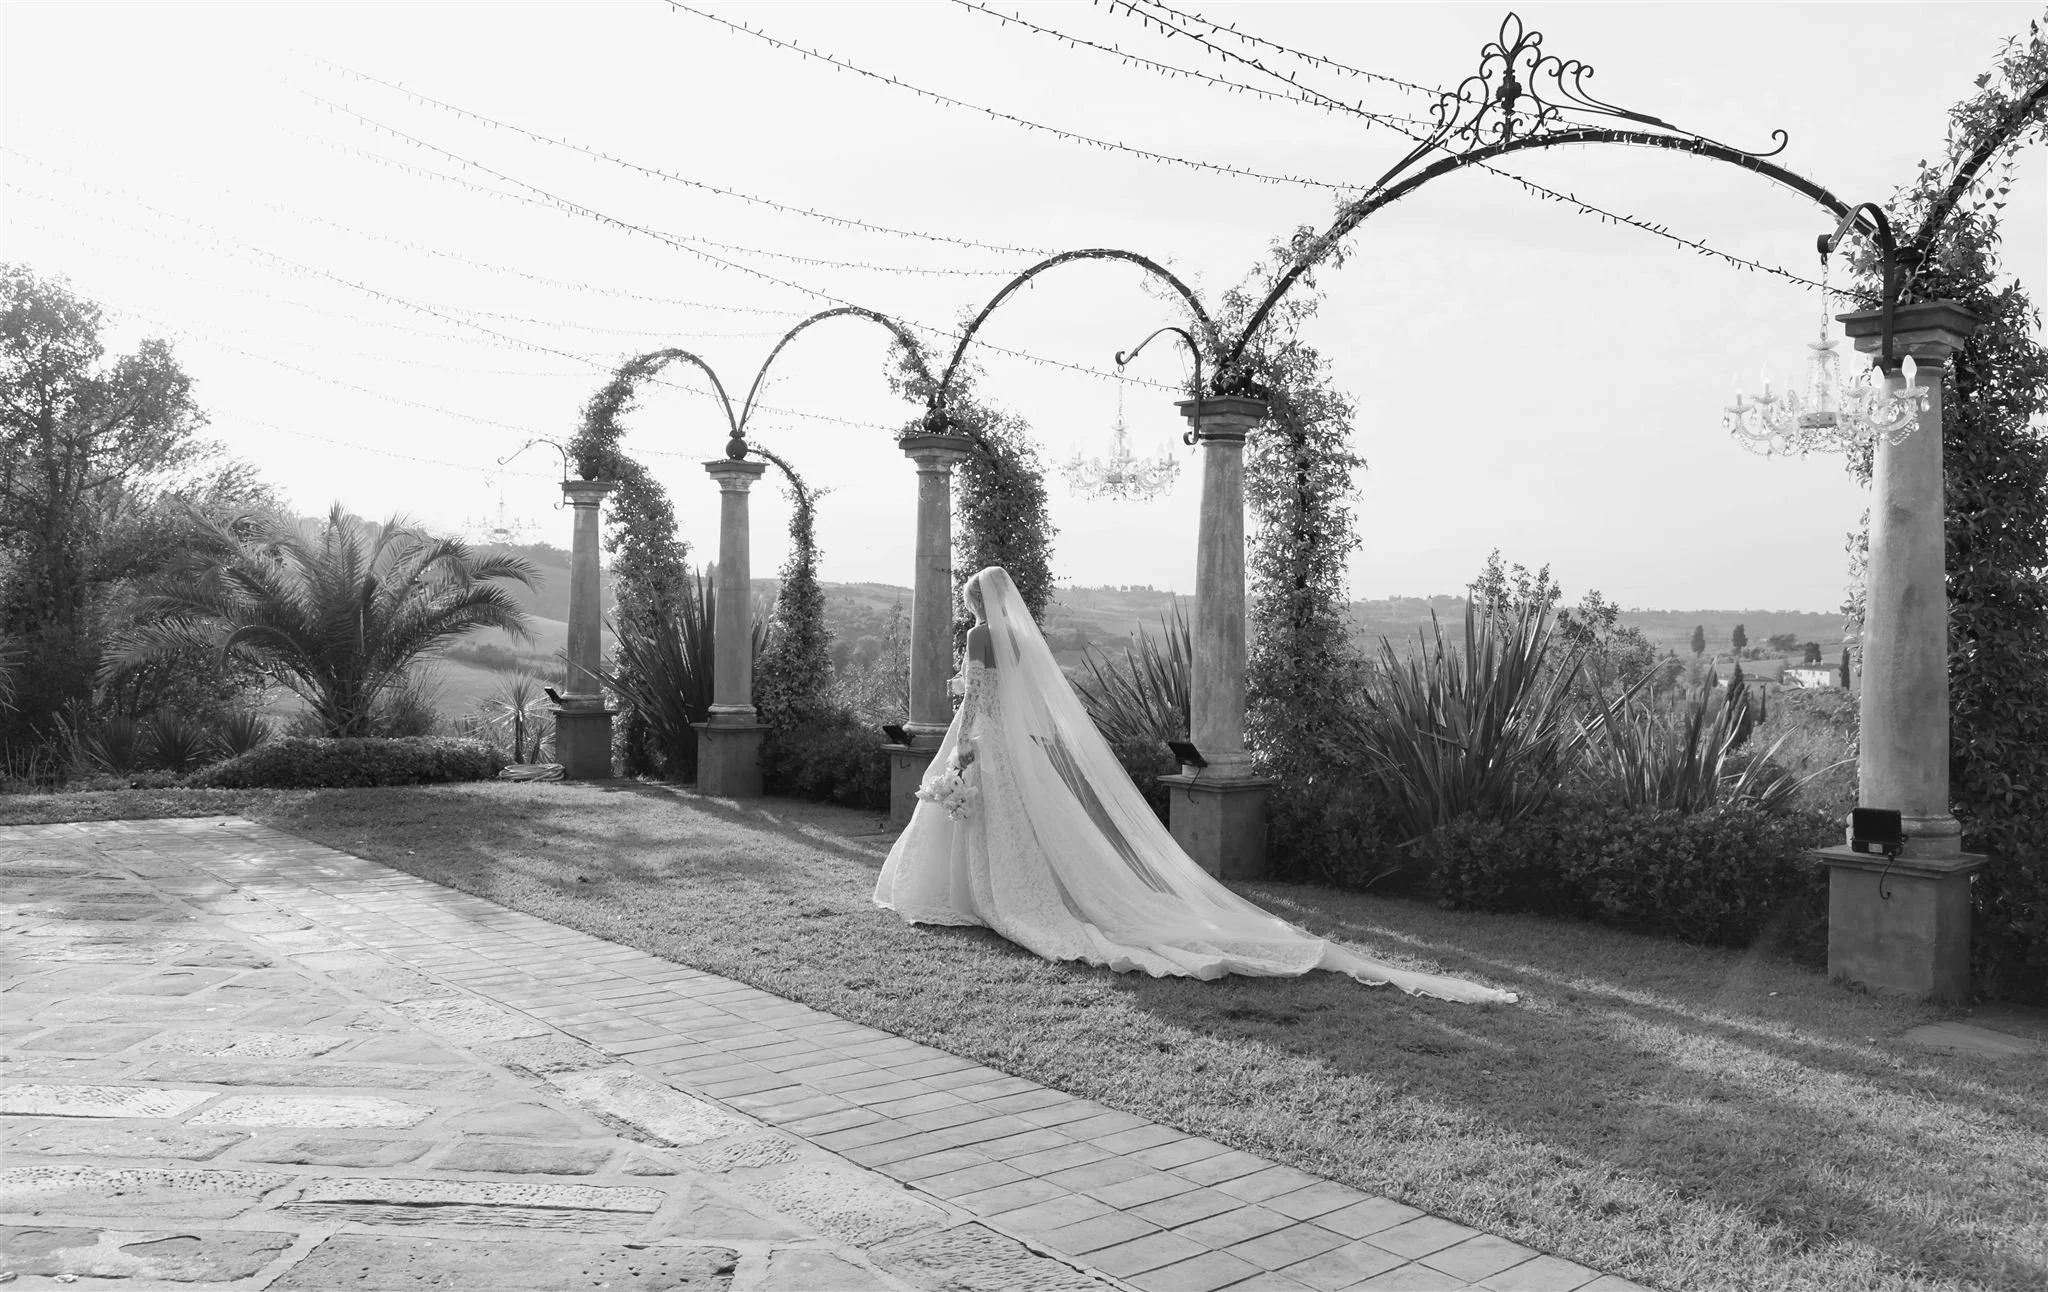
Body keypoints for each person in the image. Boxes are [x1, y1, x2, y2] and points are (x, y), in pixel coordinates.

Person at [873, 566, 1516, 1004]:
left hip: (983, 739)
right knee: (1012, 825)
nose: (963, 604)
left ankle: (978, 897)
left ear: (976, 601)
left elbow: (982, 700)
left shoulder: (982, 635)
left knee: (978, 816)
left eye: (965, 596)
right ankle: (990, 893)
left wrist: (960, 750)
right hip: (1013, 751)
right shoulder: (1012, 635)